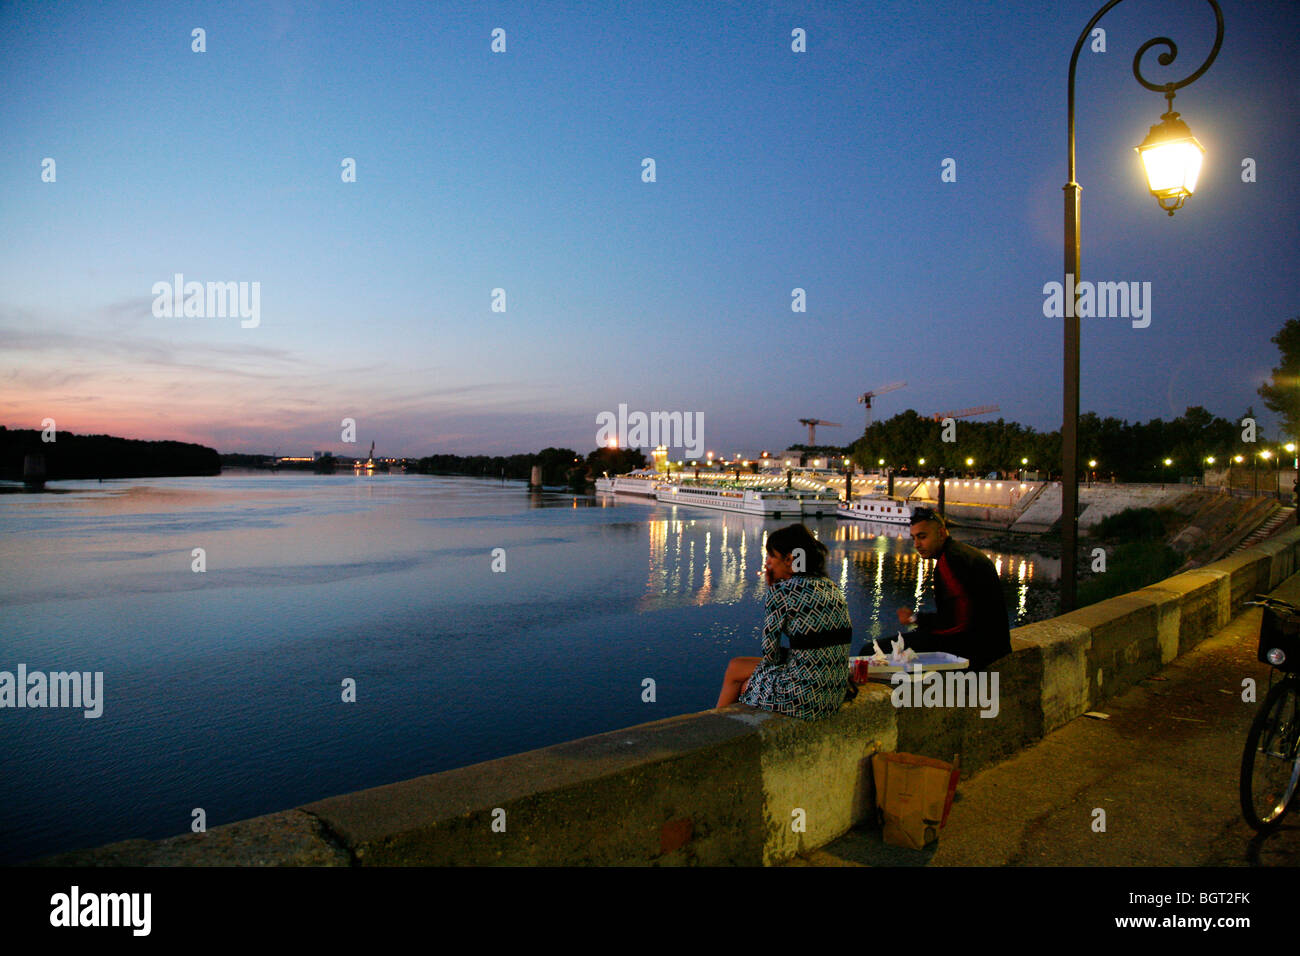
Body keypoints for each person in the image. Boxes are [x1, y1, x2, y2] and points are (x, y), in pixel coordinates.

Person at [716, 524, 854, 719]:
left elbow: (769, 654)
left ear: (790, 560)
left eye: (772, 556)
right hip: (834, 693)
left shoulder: (783, 591)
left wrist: (773, 588)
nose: (767, 563)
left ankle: (713, 725)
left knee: (736, 670)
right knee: (746, 674)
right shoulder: (831, 587)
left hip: (804, 698)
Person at [890, 506, 1011, 671]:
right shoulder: (960, 553)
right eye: (914, 538)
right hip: (994, 645)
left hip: (975, 650)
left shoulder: (949, 562)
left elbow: (958, 622)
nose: (917, 544)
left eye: (922, 537)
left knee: (876, 651)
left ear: (941, 533)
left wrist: (915, 619)